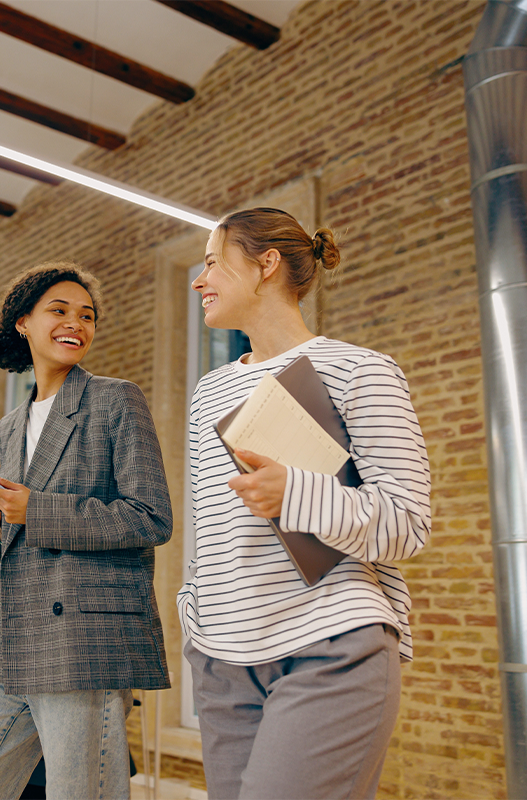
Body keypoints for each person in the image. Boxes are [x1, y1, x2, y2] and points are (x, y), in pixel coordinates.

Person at [176, 208, 431, 800]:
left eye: (212, 262)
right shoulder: (209, 390)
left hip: (329, 648)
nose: (199, 279)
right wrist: (197, 615)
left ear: (265, 265)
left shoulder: (360, 370)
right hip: (222, 660)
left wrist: (298, 492)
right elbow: (209, 530)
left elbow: (408, 524)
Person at [0, 261, 172, 800]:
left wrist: (37, 509)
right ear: (23, 324)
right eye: (59, 310)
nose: (75, 322)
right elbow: (21, 530)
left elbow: (150, 516)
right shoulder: (12, 424)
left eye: (87, 315)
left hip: (84, 634)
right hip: (10, 632)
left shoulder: (115, 400)